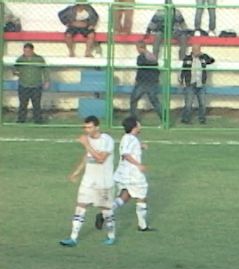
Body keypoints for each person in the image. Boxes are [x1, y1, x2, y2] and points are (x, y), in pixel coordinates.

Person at [60, 116, 116, 247]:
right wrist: (76, 172)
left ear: (97, 127)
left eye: (89, 127)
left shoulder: (107, 140)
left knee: (106, 210)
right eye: (85, 127)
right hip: (88, 181)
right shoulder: (89, 139)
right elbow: (87, 156)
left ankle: (111, 236)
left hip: (103, 182)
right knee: (80, 207)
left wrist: (86, 144)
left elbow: (101, 159)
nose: (87, 130)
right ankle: (73, 238)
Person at [96, 117, 153, 233]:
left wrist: (141, 146)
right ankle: (142, 226)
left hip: (123, 174)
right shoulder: (130, 139)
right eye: (139, 124)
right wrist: (139, 165)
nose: (140, 126)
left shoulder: (129, 138)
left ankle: (103, 214)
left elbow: (128, 149)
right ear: (134, 127)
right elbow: (126, 154)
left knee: (124, 197)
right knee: (141, 197)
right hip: (133, 174)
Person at [14, 43, 50, 124]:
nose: (26, 53)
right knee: (23, 104)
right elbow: (15, 69)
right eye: (25, 51)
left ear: (32, 50)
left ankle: (38, 120)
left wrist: (47, 81)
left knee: (36, 104)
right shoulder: (20, 59)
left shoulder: (39, 59)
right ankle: (21, 120)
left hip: (36, 86)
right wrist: (15, 72)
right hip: (23, 85)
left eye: (28, 51)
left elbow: (45, 70)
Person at [179, 44, 215, 124]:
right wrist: (181, 80)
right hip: (190, 83)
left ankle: (202, 119)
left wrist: (204, 55)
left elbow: (212, 61)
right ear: (192, 50)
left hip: (200, 84)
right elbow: (183, 70)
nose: (196, 51)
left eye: (198, 50)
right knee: (188, 104)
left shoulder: (203, 58)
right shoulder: (187, 58)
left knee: (202, 103)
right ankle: (185, 119)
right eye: (195, 50)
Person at [129, 41, 163, 121]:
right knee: (155, 101)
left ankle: (134, 120)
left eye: (138, 48)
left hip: (143, 82)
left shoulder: (141, 57)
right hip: (152, 82)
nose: (137, 50)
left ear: (140, 48)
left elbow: (141, 64)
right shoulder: (151, 56)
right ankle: (164, 119)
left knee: (133, 100)